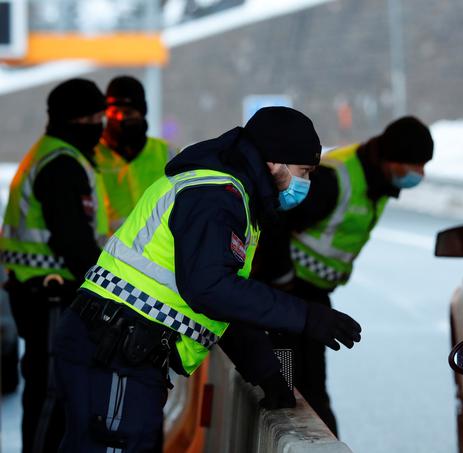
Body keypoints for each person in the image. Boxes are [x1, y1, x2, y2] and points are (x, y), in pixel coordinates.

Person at [52, 106, 362, 452]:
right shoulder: (215, 195)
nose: (307, 183)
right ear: (274, 162)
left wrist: (268, 373)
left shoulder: (234, 196)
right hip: (116, 351)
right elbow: (210, 289)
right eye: (304, 171)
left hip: (122, 351)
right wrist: (307, 316)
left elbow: (223, 303)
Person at [255, 116, 434, 435]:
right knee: (295, 388)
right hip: (287, 294)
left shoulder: (377, 179)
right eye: (414, 166)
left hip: (310, 294)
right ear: (391, 159)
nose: (418, 175)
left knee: (307, 386)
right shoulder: (334, 180)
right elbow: (276, 224)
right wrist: (282, 279)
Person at [0, 78, 108, 453]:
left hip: (40, 293)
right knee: (52, 390)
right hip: (49, 295)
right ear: (76, 119)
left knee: (52, 389)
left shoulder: (55, 155)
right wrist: (109, 286)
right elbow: (72, 240)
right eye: (95, 116)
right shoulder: (61, 164)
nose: (101, 125)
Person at [95, 75, 174, 231]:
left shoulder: (168, 154)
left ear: (141, 112)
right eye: (114, 111)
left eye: (129, 112)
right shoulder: (93, 157)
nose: (121, 118)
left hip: (158, 252)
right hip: (109, 252)